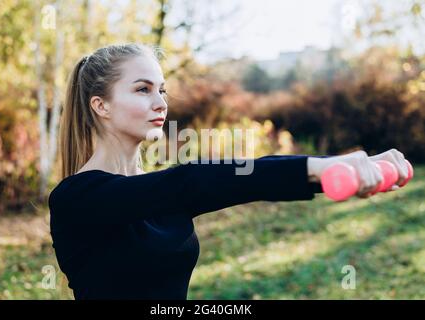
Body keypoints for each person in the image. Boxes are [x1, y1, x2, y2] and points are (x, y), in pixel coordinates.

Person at [48, 43, 410, 300]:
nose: (160, 102)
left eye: (162, 90)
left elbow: (229, 184)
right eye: (142, 90)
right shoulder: (77, 199)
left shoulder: (157, 193)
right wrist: (316, 166)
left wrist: (327, 175)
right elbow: (193, 181)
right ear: (101, 106)